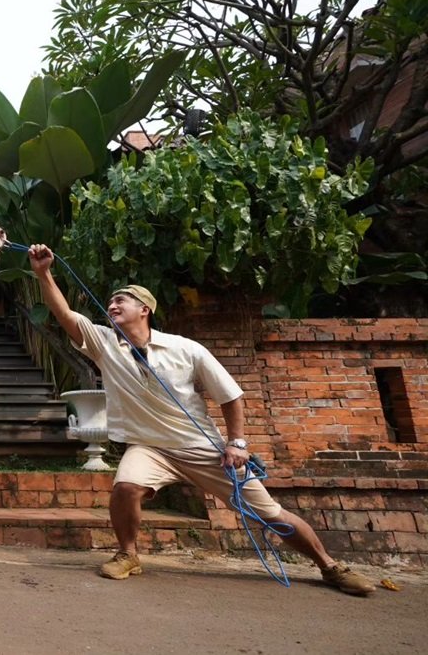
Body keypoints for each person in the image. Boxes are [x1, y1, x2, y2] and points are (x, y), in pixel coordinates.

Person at [27, 244, 375, 596]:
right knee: (126, 487)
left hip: (200, 448)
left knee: (271, 514)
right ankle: (128, 554)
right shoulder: (103, 343)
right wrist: (43, 273)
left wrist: (237, 443)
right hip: (150, 448)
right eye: (111, 301)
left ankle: (330, 566)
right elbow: (66, 316)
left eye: (122, 300)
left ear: (145, 309)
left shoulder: (186, 348)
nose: (113, 305)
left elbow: (231, 396)